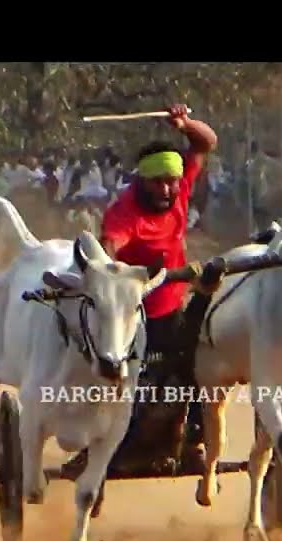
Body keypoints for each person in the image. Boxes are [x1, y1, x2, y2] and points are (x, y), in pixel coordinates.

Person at [62, 103, 219, 475]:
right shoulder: (125, 212)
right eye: (157, 182)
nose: (166, 189)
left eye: (171, 181)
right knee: (124, 380)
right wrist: (106, 265)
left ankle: (193, 440)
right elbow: (109, 247)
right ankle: (100, 444)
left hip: (171, 307)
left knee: (199, 368)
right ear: (142, 181)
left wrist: (185, 123)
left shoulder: (180, 189)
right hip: (134, 314)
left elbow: (206, 142)